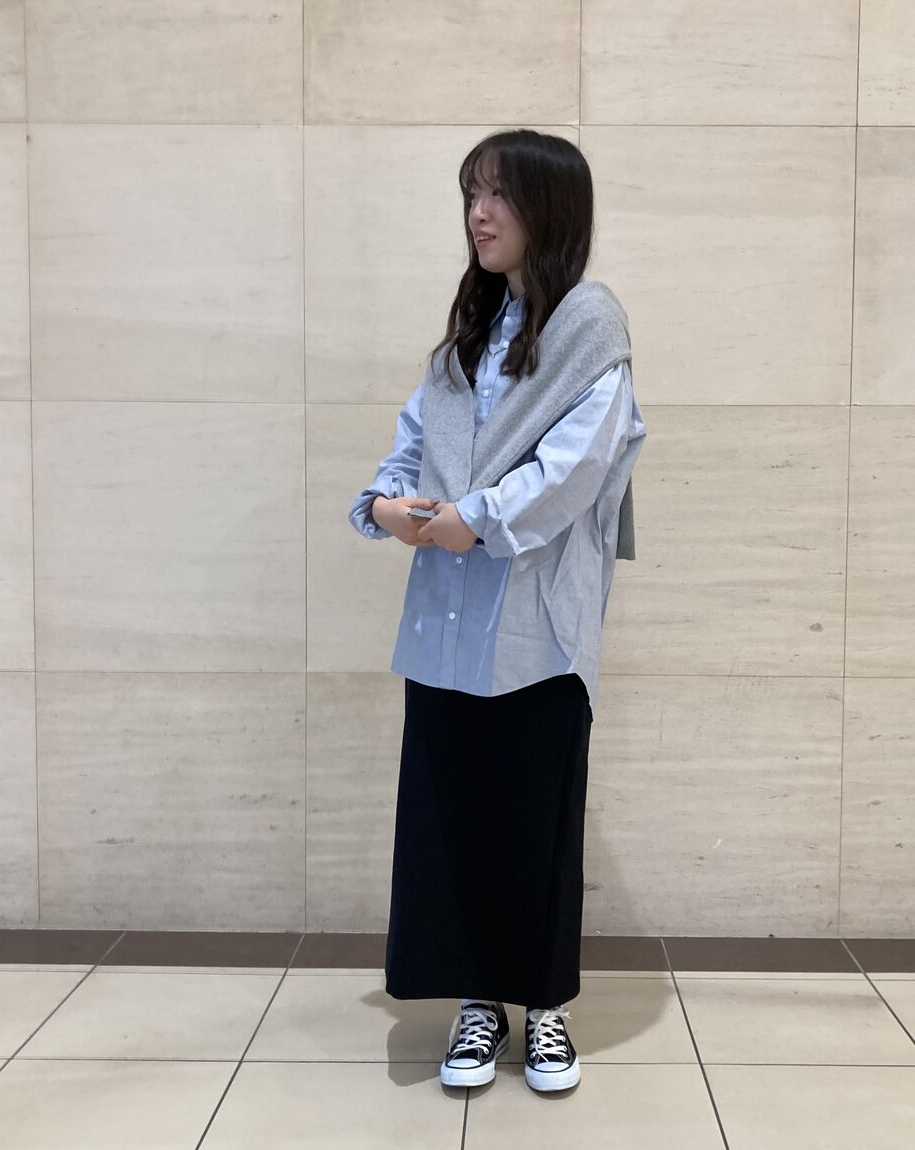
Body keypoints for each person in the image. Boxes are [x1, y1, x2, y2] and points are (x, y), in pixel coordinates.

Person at [348, 129, 646, 1094]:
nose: (478, 214)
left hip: (536, 630)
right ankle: (479, 1000)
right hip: (444, 626)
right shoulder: (466, 341)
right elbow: (410, 447)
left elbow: (573, 470)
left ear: (548, 209)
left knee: (535, 823)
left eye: (498, 195)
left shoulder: (590, 328)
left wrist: (468, 520)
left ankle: (545, 1007)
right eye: (471, 194)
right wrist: (387, 505)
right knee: (454, 819)